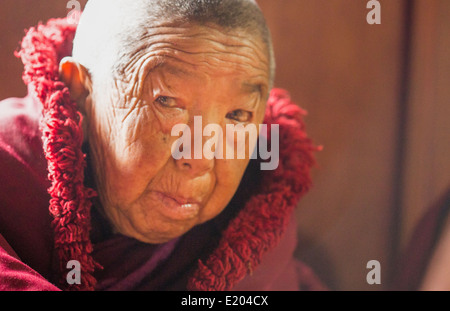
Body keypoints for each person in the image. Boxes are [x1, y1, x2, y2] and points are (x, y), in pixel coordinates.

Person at [0, 0, 326, 291]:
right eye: (167, 101)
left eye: (238, 114)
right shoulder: (10, 166)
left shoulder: (257, 219)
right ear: (80, 93)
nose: (198, 158)